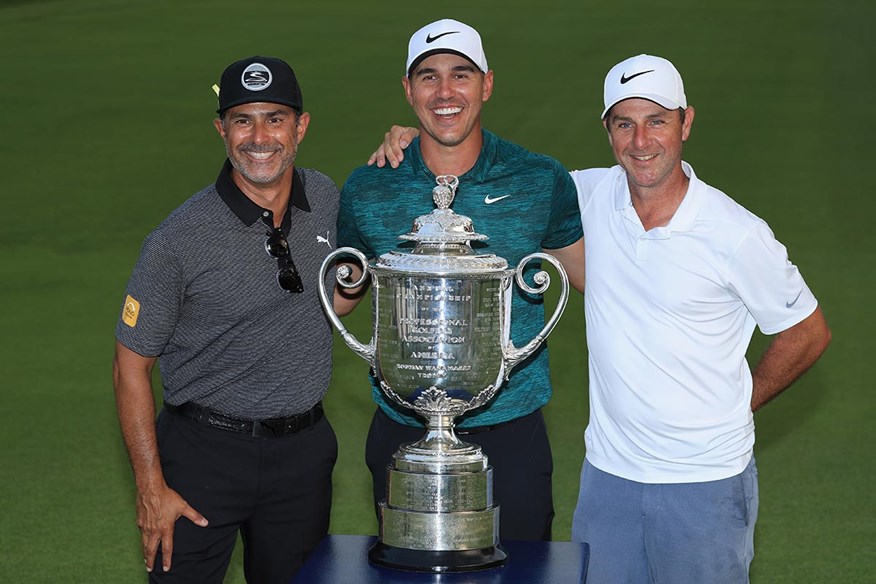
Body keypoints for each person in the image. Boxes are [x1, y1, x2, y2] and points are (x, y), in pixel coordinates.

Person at [369, 54, 831, 583]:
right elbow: (486, 179)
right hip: (607, 481)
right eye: (624, 124)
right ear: (607, 131)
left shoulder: (736, 232)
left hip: (704, 483)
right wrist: (420, 140)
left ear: (686, 122)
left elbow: (808, 331)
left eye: (657, 120)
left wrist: (739, 404)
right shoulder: (583, 194)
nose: (641, 142)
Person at [334, 18, 585, 542]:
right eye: (428, 77)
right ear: (408, 90)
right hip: (403, 429)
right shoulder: (369, 187)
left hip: (511, 426)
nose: (445, 92)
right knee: (409, 571)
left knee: (520, 573)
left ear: (487, 84)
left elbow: (595, 281)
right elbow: (343, 296)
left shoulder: (539, 179)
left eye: (461, 75)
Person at [112, 56, 340, 583]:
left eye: (275, 118)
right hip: (201, 458)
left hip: (303, 457)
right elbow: (130, 366)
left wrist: (399, 137)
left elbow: (334, 300)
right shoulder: (178, 239)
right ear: (222, 129)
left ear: (301, 127)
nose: (259, 137)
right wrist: (150, 488)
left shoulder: (326, 199)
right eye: (243, 120)